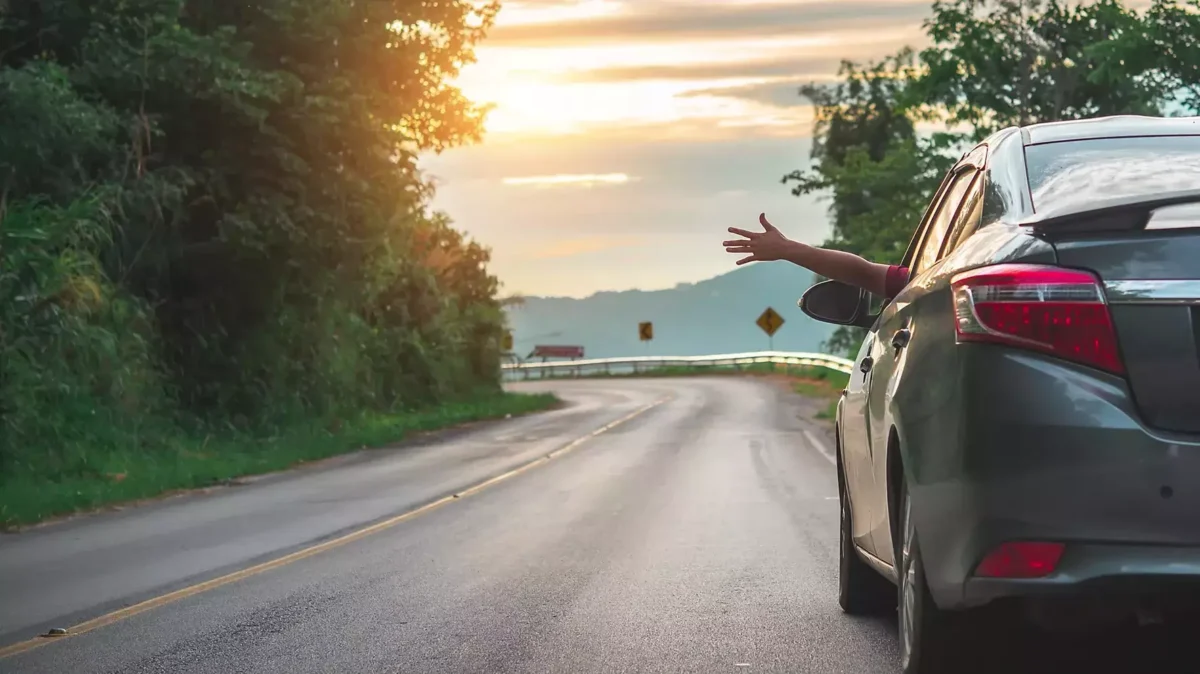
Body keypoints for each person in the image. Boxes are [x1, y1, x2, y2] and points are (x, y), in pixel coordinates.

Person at [723, 213, 910, 300]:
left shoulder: (928, 283)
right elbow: (866, 274)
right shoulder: (930, 282)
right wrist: (785, 248)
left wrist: (785, 249)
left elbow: (866, 274)